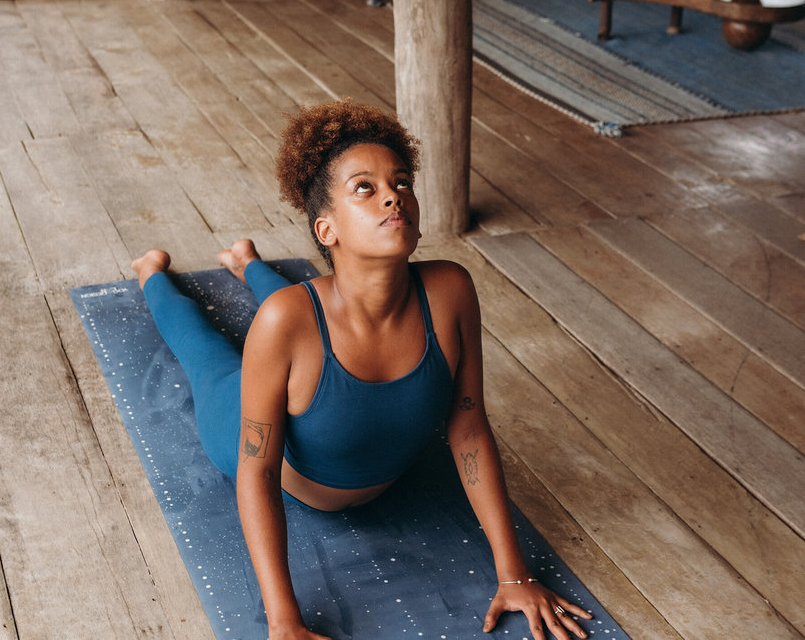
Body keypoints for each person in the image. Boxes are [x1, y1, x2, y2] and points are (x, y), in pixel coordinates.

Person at [131, 101, 591, 640]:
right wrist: (284, 624)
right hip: (240, 427)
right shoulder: (288, 322)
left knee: (306, 308)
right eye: (365, 188)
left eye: (401, 182)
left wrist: (514, 574)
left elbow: (467, 428)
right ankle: (151, 275)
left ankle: (249, 263)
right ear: (326, 229)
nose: (393, 194)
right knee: (206, 350)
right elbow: (256, 474)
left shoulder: (451, 290)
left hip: (323, 339)